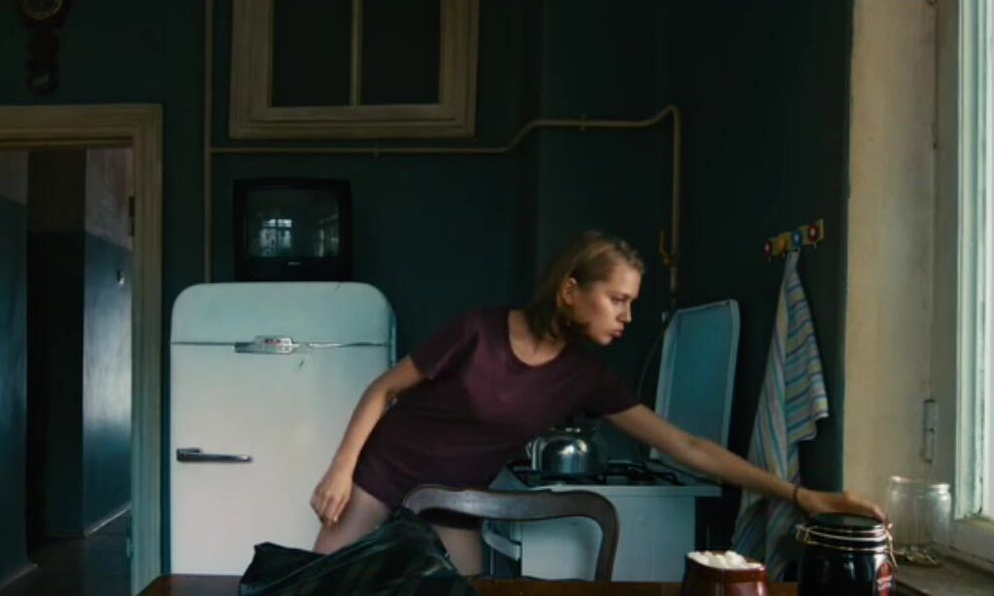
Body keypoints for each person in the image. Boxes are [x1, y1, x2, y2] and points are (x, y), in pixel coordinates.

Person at [310, 230, 886, 575]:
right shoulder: (477, 332)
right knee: (315, 588)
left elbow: (687, 446)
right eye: (617, 299)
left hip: (458, 500)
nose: (627, 316)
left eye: (631, 302)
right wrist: (341, 470)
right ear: (570, 290)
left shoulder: (585, 379)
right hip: (387, 470)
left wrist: (797, 494)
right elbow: (383, 389)